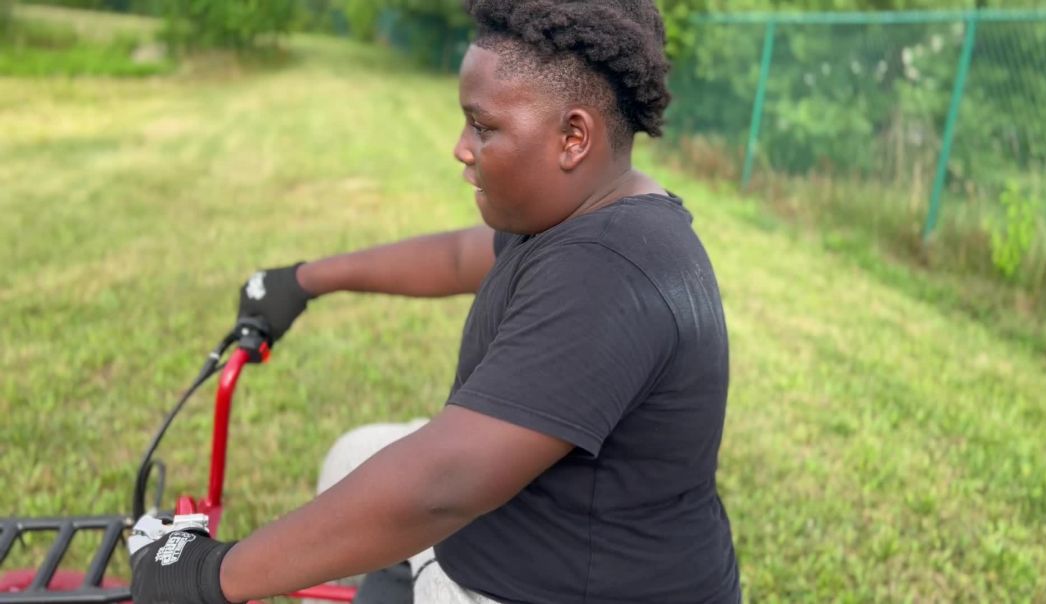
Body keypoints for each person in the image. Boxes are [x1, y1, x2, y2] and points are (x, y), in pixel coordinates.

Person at [129, 1, 740, 602]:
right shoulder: (599, 207)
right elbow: (457, 258)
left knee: (398, 487)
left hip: (562, 587)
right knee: (354, 457)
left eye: (483, 125)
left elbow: (444, 484)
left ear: (573, 136)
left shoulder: (607, 273)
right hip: (546, 530)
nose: (461, 147)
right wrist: (306, 279)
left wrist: (211, 573)